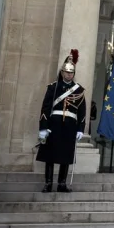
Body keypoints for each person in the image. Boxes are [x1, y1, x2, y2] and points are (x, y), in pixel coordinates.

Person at [36, 50, 86, 193]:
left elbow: (82, 112)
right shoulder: (53, 87)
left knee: (66, 155)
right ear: (62, 72)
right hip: (54, 123)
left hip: (70, 125)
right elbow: (45, 109)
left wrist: (81, 129)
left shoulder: (79, 90)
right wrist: (43, 128)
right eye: (66, 72)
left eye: (71, 73)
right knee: (50, 155)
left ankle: (62, 183)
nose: (69, 75)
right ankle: (48, 183)